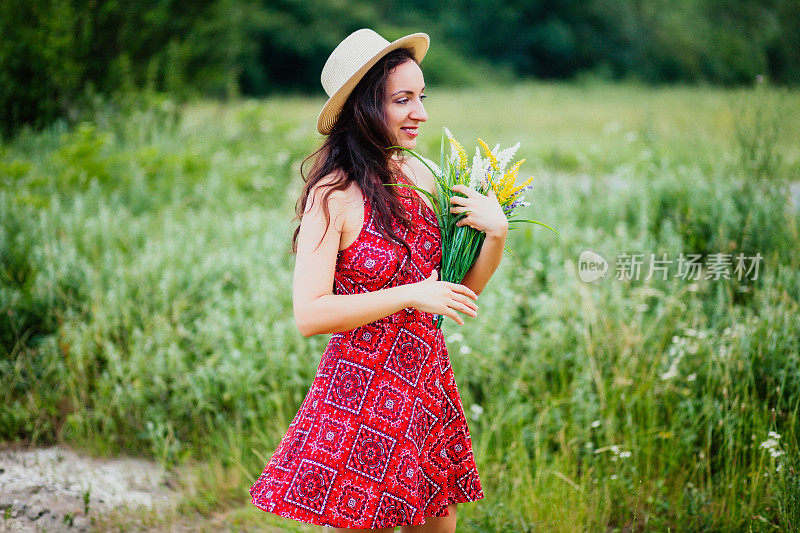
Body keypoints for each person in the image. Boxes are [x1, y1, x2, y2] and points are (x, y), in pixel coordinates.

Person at [249, 28, 509, 533]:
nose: (421, 113)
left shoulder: (423, 179)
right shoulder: (335, 195)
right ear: (366, 107)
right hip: (362, 394)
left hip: (425, 382)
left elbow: (461, 293)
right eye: (402, 100)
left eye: (422, 97)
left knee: (439, 520)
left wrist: (495, 235)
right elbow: (310, 313)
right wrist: (410, 293)